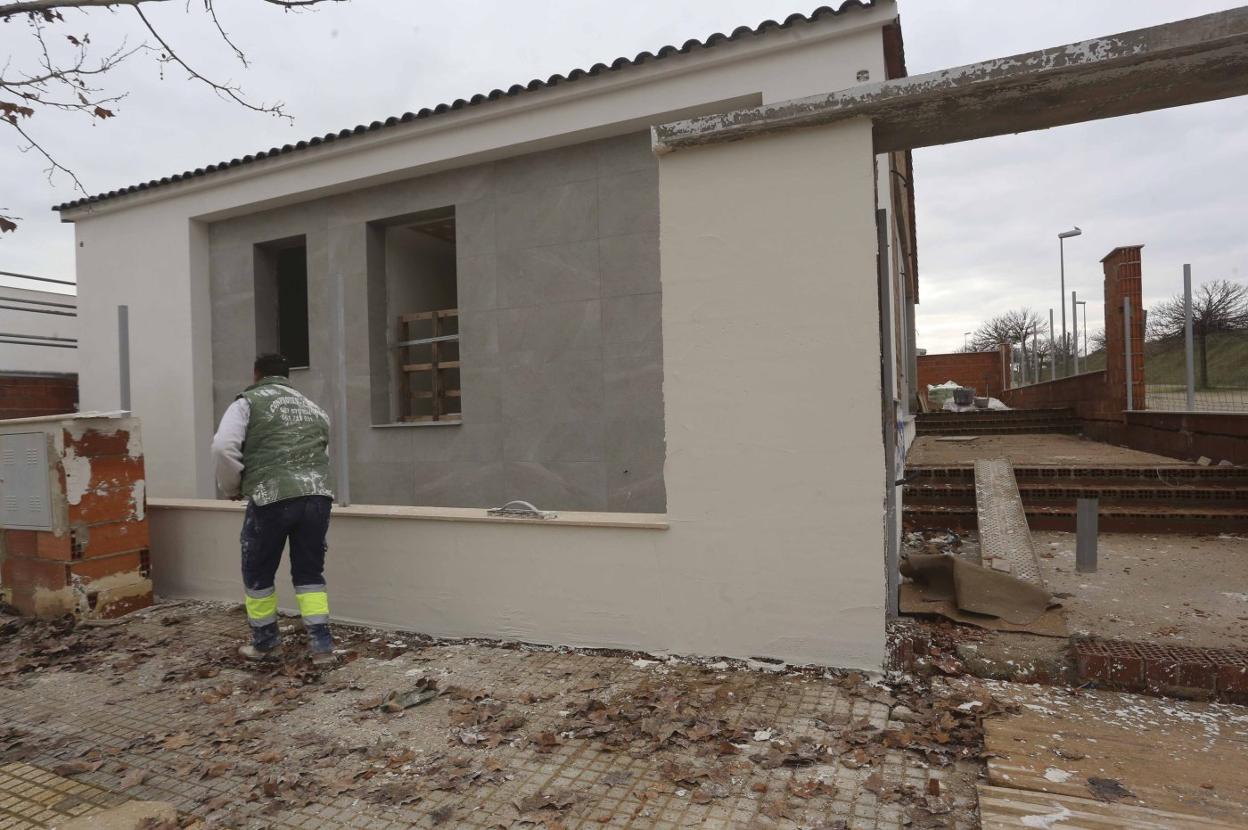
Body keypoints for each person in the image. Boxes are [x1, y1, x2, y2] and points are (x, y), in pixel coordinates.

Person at [211, 353, 337, 664]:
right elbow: (324, 453)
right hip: (317, 495)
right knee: (309, 571)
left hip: (272, 495)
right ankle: (321, 646)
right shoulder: (313, 408)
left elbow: (223, 446)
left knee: (258, 569)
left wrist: (231, 487)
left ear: (257, 374)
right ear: (287, 376)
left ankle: (266, 643)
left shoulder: (248, 402)